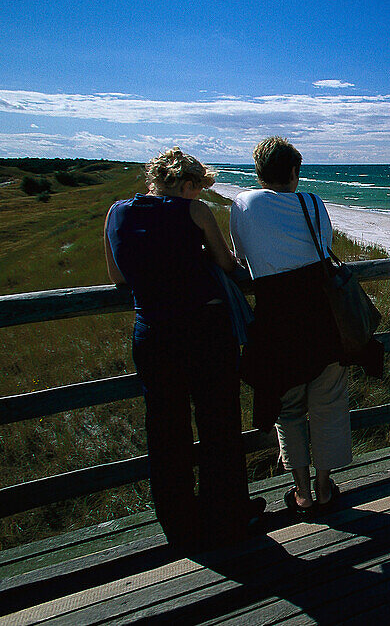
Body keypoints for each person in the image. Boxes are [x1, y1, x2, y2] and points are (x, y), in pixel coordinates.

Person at [104, 148, 261, 550]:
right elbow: (228, 265)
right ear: (188, 183)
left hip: (152, 331)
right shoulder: (195, 211)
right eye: (199, 187)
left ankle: (179, 523)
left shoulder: (116, 213)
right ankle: (227, 514)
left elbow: (118, 277)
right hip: (204, 329)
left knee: (165, 427)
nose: (200, 194)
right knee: (218, 422)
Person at [230, 137, 350, 518]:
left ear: (258, 172)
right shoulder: (312, 201)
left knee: (290, 409)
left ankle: (301, 493)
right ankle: (325, 487)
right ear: (295, 171)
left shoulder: (242, 203)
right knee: (328, 405)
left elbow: (243, 259)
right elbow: (324, 246)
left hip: (277, 323)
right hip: (322, 320)